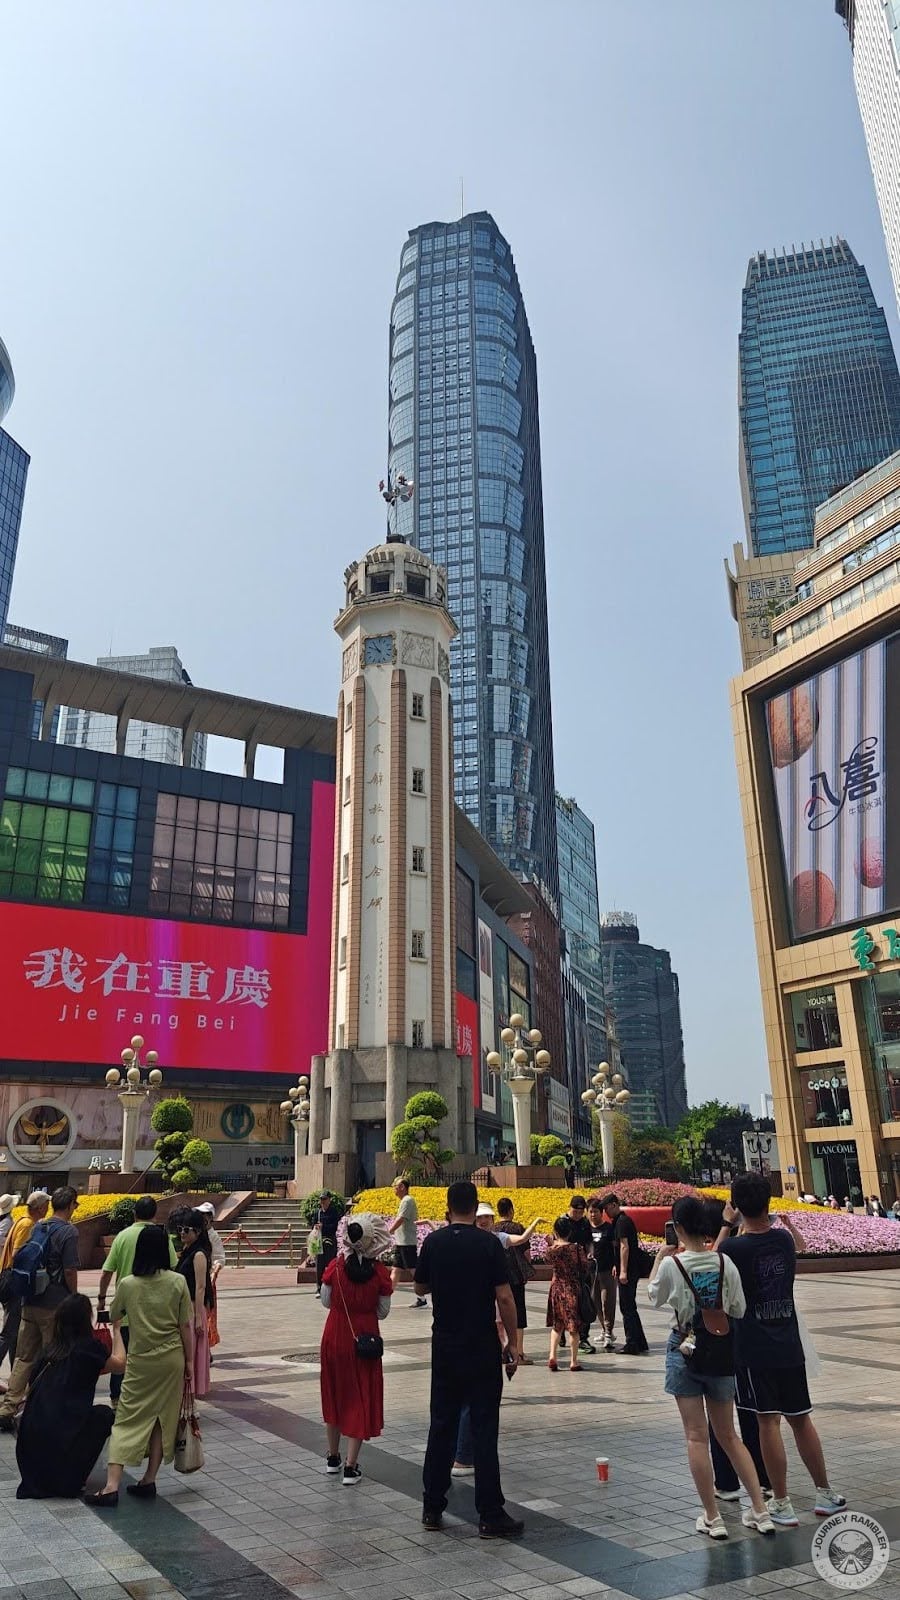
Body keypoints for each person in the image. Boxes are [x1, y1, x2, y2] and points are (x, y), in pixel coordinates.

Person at [717, 1173, 845, 1526]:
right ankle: (825, 1493)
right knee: (801, 1418)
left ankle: (782, 1502)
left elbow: (712, 1265)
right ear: (769, 1204)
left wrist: (727, 1224)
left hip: (754, 1348)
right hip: (789, 1344)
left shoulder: (733, 1249)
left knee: (767, 1422)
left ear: (737, 1206)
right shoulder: (785, 1242)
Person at [648, 1197, 774, 1540]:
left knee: (695, 1436)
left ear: (678, 1227)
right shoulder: (724, 1261)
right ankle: (761, 1512)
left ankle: (713, 1517)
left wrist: (660, 1258)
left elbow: (653, 1296)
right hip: (721, 1352)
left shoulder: (674, 1265)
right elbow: (738, 1306)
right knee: (730, 1435)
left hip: (685, 1350)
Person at [415, 1180, 522, 1540]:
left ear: (448, 1207)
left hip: (445, 1345)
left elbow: (419, 1287)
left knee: (441, 1423)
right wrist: (513, 1343)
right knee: (483, 1427)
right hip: (480, 1345)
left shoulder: (433, 1242)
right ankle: (490, 1513)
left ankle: (432, 1505)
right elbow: (505, 1298)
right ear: (475, 1207)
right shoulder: (488, 1244)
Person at [83, 1224, 194, 1507]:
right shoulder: (178, 1282)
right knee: (161, 1419)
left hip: (141, 1359)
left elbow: (116, 1313)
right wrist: (191, 1362)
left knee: (126, 1419)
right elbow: (185, 1327)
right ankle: (149, 1480)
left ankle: (111, 1486)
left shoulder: (128, 1284)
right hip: (172, 1359)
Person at [15, 1293, 126, 1499]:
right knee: (103, 1415)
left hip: (31, 1463)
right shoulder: (88, 1349)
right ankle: (73, 1477)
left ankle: (61, 1475)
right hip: (61, 1462)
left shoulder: (49, 1351)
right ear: (86, 1320)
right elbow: (120, 1364)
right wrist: (117, 1329)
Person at [320, 1213, 393, 1486]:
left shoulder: (335, 1268)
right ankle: (351, 1467)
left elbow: (326, 1302)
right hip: (365, 1338)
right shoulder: (379, 1274)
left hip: (335, 1334)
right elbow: (383, 1311)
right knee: (359, 1395)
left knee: (334, 1392)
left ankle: (332, 1457)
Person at [0, 1185, 79, 1432]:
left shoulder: (39, 1226)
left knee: (24, 1357)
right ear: (70, 1205)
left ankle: (7, 1408)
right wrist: (75, 1297)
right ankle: (43, 1409)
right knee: (51, 1358)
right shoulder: (68, 1232)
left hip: (29, 1301)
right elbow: (69, 1269)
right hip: (53, 1305)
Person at [97, 1197, 177, 1407]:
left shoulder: (122, 1236)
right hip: (154, 1309)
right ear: (155, 1214)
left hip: (125, 1310)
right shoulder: (161, 1237)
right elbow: (172, 1266)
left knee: (121, 1355)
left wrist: (102, 1299)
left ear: (134, 1214)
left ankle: (117, 1399)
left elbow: (107, 1272)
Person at [0, 1191, 48, 1377]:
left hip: (7, 1278)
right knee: (9, 1332)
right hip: (14, 1282)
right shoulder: (27, 1224)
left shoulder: (19, 1221)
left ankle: (15, 1375)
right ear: (41, 1207)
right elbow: (18, 1255)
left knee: (14, 1333)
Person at [601, 1193, 649, 1354]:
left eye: (607, 1208)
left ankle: (632, 1343)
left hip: (629, 1271)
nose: (605, 1213)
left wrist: (623, 1271)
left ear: (614, 1205)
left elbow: (624, 1246)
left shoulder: (621, 1222)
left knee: (626, 1307)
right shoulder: (621, 1221)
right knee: (630, 1306)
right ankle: (640, 1341)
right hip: (629, 1269)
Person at [176, 1210, 213, 1399]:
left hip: (193, 1308)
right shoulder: (186, 1251)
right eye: (180, 1229)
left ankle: (191, 1391)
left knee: (192, 1351)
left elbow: (201, 1287)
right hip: (185, 1308)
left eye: (186, 1230)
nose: (182, 1233)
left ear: (197, 1232)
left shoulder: (199, 1255)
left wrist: (199, 1316)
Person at [546, 1216, 588, 1372]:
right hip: (572, 1288)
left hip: (556, 1288)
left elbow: (546, 1260)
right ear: (570, 1231)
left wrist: (552, 1243)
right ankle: (573, 1361)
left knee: (557, 1325)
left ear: (555, 1231)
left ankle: (552, 1356)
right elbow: (584, 1267)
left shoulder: (552, 1250)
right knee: (573, 1327)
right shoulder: (576, 1249)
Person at [496, 1197, 534, 1363]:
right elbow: (526, 1253)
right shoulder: (518, 1228)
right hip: (516, 1276)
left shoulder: (494, 1229)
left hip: (499, 1277)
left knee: (499, 1315)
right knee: (519, 1314)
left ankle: (502, 1348)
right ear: (511, 1210)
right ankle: (518, 1352)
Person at [564, 1195, 596, 1355]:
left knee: (584, 1302)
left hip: (583, 1268)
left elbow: (590, 1242)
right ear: (569, 1208)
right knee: (566, 1302)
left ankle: (583, 1337)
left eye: (580, 1212)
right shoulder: (562, 1222)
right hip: (567, 1270)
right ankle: (563, 1329)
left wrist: (590, 1253)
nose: (577, 1215)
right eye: (575, 1211)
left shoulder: (584, 1223)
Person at [387, 1179, 426, 1307]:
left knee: (413, 1270)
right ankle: (386, 1296)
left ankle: (422, 1297)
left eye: (395, 1187)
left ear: (402, 1187)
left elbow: (401, 1219)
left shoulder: (407, 1200)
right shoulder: (404, 1201)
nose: (394, 1190)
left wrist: (390, 1230)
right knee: (396, 1269)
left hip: (407, 1242)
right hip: (401, 1242)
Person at [587, 1196, 617, 1351]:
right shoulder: (586, 1228)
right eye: (591, 1212)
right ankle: (605, 1330)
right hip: (592, 1271)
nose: (593, 1215)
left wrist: (616, 1265)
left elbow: (615, 1248)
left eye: (596, 1212)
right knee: (595, 1301)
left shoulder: (608, 1228)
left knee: (607, 1301)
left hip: (607, 1270)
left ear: (601, 1213)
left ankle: (609, 1332)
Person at [195, 1203, 225, 1351]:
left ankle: (206, 1346)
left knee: (207, 1314)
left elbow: (219, 1258)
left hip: (207, 1279)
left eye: (205, 1215)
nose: (202, 1218)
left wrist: (214, 1272)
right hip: (194, 1278)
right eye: (200, 1215)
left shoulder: (213, 1236)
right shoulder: (196, 1233)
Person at [315, 1192, 341, 1298]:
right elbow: (313, 1224)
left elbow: (336, 1226)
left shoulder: (334, 1212)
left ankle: (332, 1287)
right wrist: (316, 1227)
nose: (323, 1202)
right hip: (319, 1242)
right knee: (319, 1265)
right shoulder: (318, 1212)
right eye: (321, 1199)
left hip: (330, 1241)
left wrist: (324, 1226)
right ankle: (319, 1288)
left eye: (325, 1199)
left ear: (329, 1200)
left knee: (331, 1265)